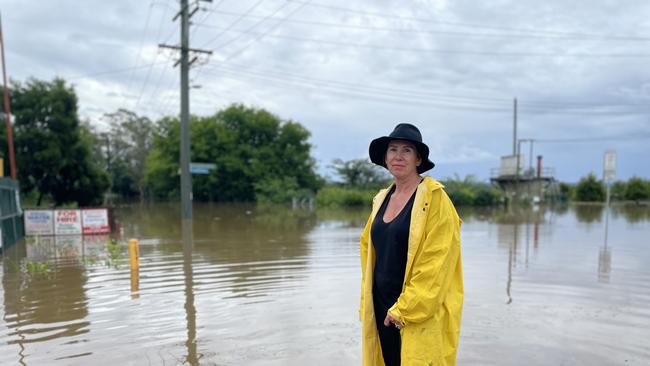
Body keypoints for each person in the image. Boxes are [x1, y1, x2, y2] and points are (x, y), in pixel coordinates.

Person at [359, 123, 463, 366]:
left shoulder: (435, 199)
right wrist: (368, 304)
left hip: (415, 308)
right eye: (392, 149)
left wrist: (404, 308)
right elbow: (369, 255)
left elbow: (437, 263)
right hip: (381, 305)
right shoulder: (381, 198)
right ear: (385, 158)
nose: (398, 156)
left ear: (418, 159)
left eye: (407, 150)